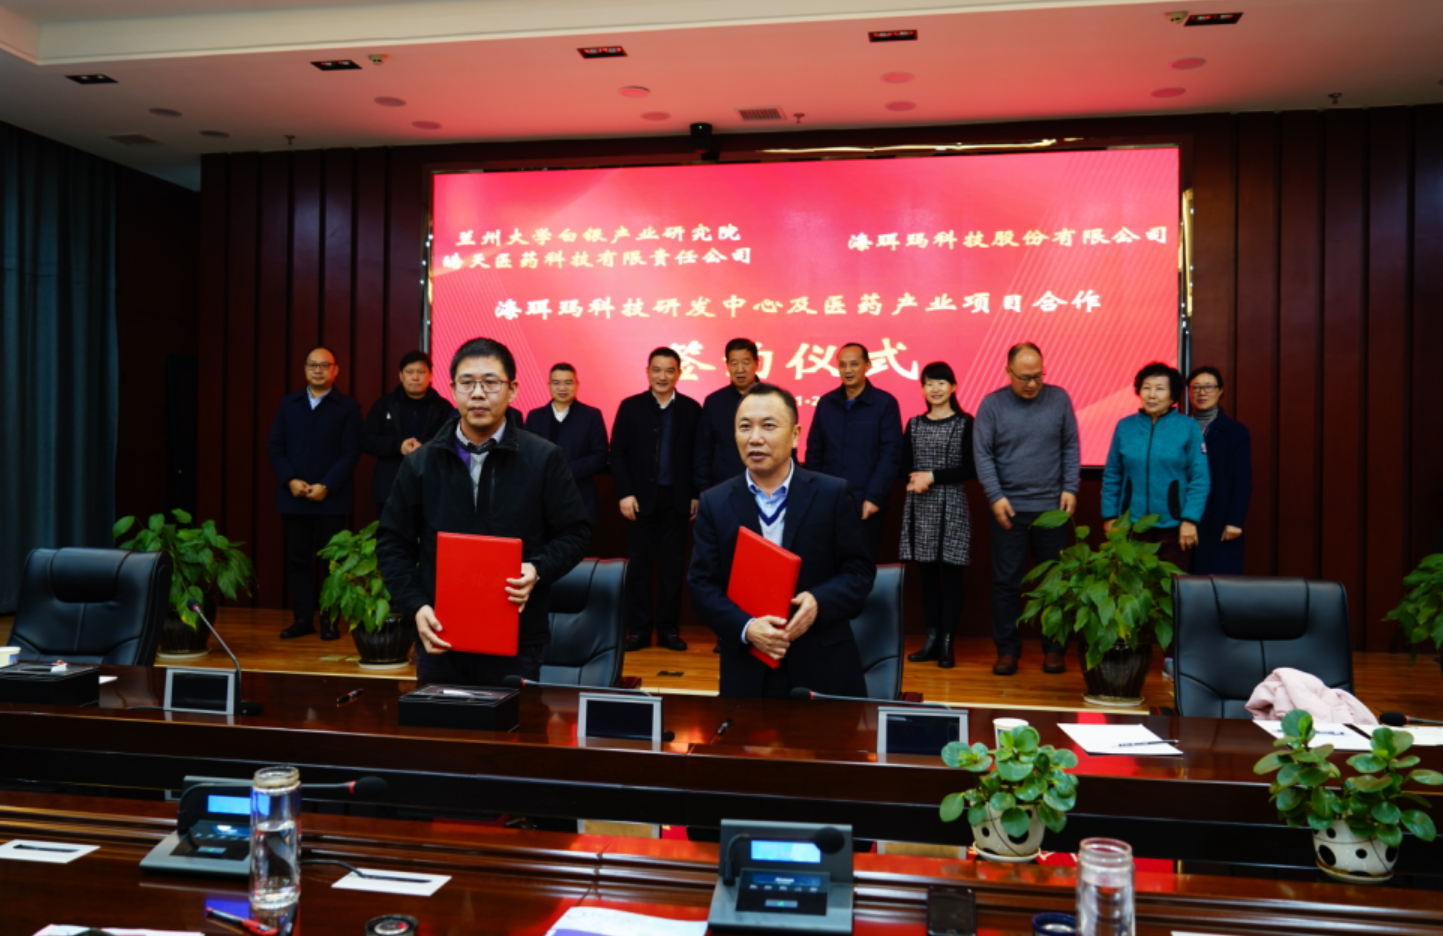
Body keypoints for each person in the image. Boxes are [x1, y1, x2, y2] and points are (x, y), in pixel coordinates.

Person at [375, 337, 590, 687]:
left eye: (490, 382)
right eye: (467, 383)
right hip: (439, 634)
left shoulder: (543, 458)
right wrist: (416, 606)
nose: (478, 393)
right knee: (441, 722)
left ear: (512, 389)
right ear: (452, 390)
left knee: (511, 722)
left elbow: (576, 532)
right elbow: (392, 542)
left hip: (517, 636)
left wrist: (537, 569)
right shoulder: (421, 463)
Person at [689, 383, 875, 698]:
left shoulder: (832, 494)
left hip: (823, 664)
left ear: (795, 434)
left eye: (769, 426)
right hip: (748, 668)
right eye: (744, 427)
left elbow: (859, 571)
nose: (755, 438)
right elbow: (701, 585)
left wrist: (819, 602)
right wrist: (747, 628)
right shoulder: (715, 503)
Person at [973, 342, 1080, 676]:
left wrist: (1070, 487)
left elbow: (1070, 445)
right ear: (1008, 372)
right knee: (1007, 583)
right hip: (1010, 510)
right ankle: (1007, 650)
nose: (1033, 384)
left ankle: (1054, 649)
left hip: (1052, 508)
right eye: (1024, 377)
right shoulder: (992, 405)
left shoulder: (1059, 399)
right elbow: (983, 453)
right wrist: (995, 496)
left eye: (1038, 376)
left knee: (1055, 582)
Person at [610, 347, 702, 652]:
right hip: (639, 501)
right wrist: (625, 492)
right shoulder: (630, 406)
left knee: (673, 569)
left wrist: (695, 494)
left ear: (679, 374)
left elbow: (698, 455)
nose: (663, 376)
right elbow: (617, 453)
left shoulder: (691, 409)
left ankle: (668, 631)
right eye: (657, 369)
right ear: (648, 372)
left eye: (670, 370)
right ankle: (638, 630)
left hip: (676, 500)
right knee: (639, 568)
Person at [267, 347, 362, 641]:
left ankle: (329, 621)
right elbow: (276, 446)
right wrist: (290, 480)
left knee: (331, 564)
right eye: (312, 365)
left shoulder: (348, 407)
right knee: (298, 562)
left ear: (335, 370)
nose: (317, 370)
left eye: (324, 365)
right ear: (305, 369)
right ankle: (303, 619)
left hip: (331, 500)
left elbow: (350, 452)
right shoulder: (289, 404)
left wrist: (327, 485)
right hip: (293, 498)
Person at [900, 363, 976, 669]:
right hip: (920, 505)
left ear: (953, 387)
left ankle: (947, 643)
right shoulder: (914, 424)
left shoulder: (965, 423)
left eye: (941, 383)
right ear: (922, 388)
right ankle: (931, 640)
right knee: (927, 576)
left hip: (952, 505)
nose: (935, 389)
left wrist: (932, 476)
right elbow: (903, 463)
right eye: (929, 383)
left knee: (952, 575)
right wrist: (915, 477)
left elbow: (970, 467)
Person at [1101, 362, 1210, 572]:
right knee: (1132, 586)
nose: (1152, 395)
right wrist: (1110, 516)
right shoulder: (1125, 427)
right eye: (1147, 388)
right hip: (1131, 527)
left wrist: (1190, 520)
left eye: (1160, 389)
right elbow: (1113, 475)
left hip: (1174, 528)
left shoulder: (1187, 427)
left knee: (1171, 588)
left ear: (1172, 395)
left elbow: (1200, 478)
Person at [803, 342, 903, 559]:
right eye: (843, 365)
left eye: (854, 364)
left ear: (868, 365)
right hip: (829, 503)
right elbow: (814, 453)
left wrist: (874, 497)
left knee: (862, 566)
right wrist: (815, 496)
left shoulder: (884, 404)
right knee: (828, 565)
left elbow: (890, 455)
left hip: (866, 503)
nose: (848, 370)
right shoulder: (826, 403)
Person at [361, 350, 456, 509]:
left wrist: (424, 448)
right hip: (390, 488)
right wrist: (399, 445)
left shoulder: (443, 408)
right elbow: (366, 440)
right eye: (409, 372)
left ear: (431, 376)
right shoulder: (384, 405)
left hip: (431, 488)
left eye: (421, 372)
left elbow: (452, 443)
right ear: (401, 376)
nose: (415, 377)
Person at [524, 363, 610, 526]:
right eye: (556, 383)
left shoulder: (591, 416)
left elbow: (600, 455)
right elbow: (525, 453)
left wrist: (565, 472)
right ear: (549, 385)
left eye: (568, 382)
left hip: (580, 496)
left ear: (577, 384)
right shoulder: (535, 416)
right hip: (541, 497)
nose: (562, 388)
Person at [1186, 366, 1252, 575]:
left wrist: (1234, 521)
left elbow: (1242, 480)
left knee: (1217, 582)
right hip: (1184, 516)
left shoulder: (1235, 432)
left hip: (1220, 516)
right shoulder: (1179, 428)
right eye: (1196, 387)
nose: (1202, 392)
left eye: (1209, 387)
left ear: (1221, 390)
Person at [694, 338, 760, 493]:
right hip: (724, 490)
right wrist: (704, 490)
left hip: (767, 489)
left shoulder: (773, 399)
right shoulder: (714, 402)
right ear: (727, 365)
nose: (740, 369)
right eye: (734, 363)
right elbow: (703, 452)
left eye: (746, 362)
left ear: (757, 363)